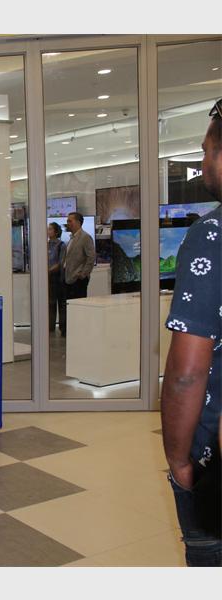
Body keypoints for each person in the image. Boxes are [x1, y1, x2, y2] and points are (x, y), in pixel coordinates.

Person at [161, 98, 222, 567]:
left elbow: (187, 373)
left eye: (206, 151)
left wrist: (180, 461)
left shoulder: (211, 235)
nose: (202, 163)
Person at [60, 211, 95, 336]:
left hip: (78, 279)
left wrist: (83, 274)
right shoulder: (71, 238)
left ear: (78, 222)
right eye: (67, 221)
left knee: (78, 307)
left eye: (70, 221)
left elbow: (91, 257)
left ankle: (79, 331)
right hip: (68, 278)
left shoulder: (85, 237)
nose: (67, 223)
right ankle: (69, 330)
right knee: (68, 306)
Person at [47, 222, 66, 335]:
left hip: (58, 278)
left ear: (56, 231)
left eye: (50, 229)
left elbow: (61, 262)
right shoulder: (46, 245)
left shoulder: (61, 245)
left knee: (61, 303)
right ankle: (50, 327)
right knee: (50, 303)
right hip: (48, 278)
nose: (48, 231)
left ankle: (63, 327)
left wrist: (49, 271)